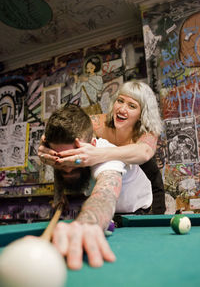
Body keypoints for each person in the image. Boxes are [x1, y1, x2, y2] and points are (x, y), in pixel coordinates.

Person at [41, 104, 152, 270]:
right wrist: (59, 195)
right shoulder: (57, 156)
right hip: (109, 215)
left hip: (137, 213)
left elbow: (106, 193)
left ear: (92, 144)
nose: (68, 167)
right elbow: (61, 167)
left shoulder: (106, 156)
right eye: (61, 160)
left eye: (74, 158)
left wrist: (88, 223)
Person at [38, 80, 166, 214]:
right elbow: (64, 138)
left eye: (132, 106)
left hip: (147, 187)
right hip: (113, 198)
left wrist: (96, 155)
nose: (122, 109)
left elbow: (144, 153)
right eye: (120, 101)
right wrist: (45, 146)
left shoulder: (147, 130)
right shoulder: (97, 123)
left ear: (142, 114)